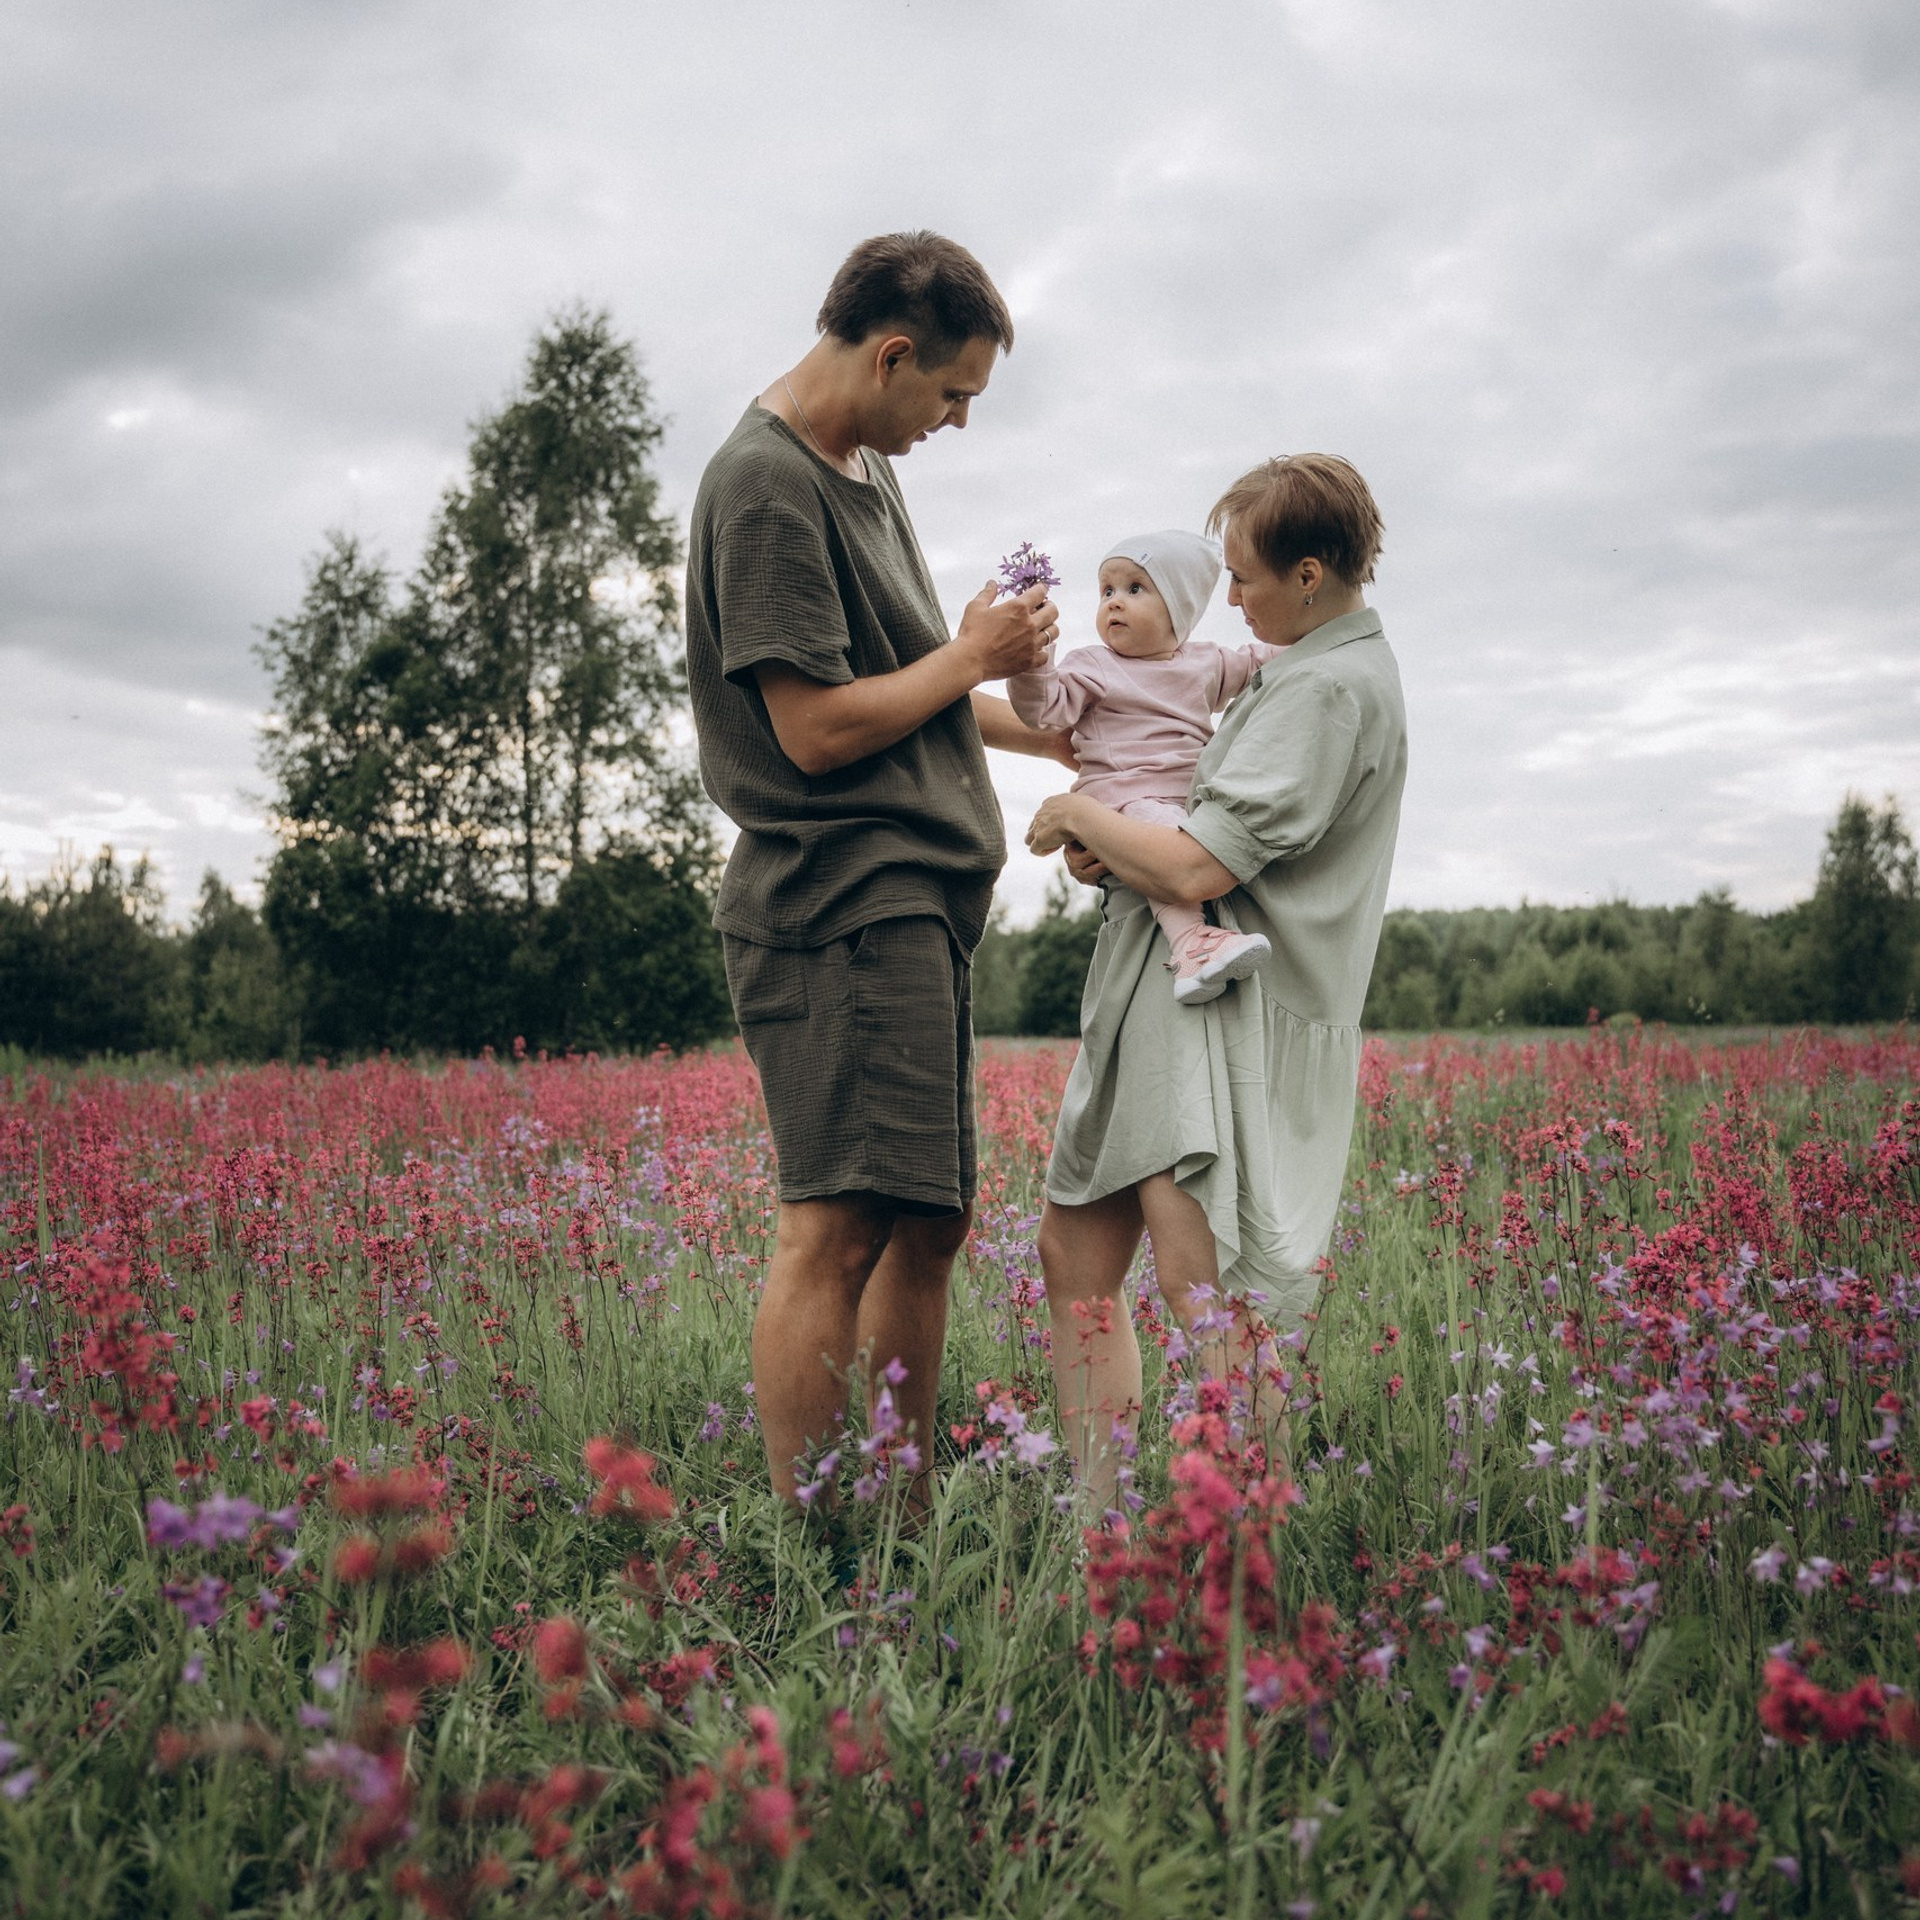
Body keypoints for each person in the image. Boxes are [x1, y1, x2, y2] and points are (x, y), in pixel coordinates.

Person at [685, 231, 1069, 1511]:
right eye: (953, 393)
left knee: (929, 1222)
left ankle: (898, 1506)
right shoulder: (765, 484)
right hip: (839, 901)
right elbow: (815, 729)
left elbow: (912, 690)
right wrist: (971, 654)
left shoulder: (856, 465)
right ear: (894, 353)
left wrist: (1067, 719)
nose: (954, 423)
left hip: (912, 902)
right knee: (837, 1228)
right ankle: (826, 1545)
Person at [1024, 455, 1406, 1515]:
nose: (1227, 601)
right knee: (1075, 1254)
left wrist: (1076, 822)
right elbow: (1124, 741)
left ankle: (1251, 1541)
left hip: (1217, 1010)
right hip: (1156, 989)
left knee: (1209, 1289)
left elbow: (1197, 866)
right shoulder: (1297, 669)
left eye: (1242, 579)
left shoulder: (1324, 688)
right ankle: (1100, 1530)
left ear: (1313, 575)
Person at [1006, 529, 1279, 1005]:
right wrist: (1032, 663)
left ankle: (1205, 942)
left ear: (1180, 608)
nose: (1114, 602)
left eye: (1135, 589)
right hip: (1122, 800)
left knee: (1199, 847)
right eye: (1107, 590)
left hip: (1186, 799)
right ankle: (1192, 946)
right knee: (1163, 834)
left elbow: (1265, 664)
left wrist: (1317, 645)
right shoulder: (1093, 665)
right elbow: (1043, 709)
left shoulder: (1206, 662)